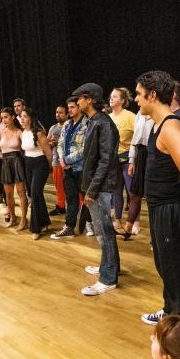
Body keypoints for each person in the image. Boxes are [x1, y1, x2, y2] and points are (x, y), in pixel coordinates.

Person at [135, 71, 180, 323]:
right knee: (167, 269)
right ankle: (174, 319)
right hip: (161, 207)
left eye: (140, 94)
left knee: (177, 272)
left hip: (171, 209)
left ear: (153, 95)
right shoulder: (159, 126)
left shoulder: (170, 127)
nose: (137, 100)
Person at [75, 83, 122, 295]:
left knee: (104, 232)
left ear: (91, 99)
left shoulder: (103, 123)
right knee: (103, 232)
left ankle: (108, 277)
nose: (77, 102)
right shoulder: (95, 121)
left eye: (80, 98)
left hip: (100, 186)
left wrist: (92, 190)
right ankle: (109, 266)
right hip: (96, 184)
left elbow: (106, 161)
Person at [51, 97, 89, 239]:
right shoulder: (66, 124)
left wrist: (66, 160)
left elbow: (85, 149)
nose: (70, 110)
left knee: (87, 198)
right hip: (67, 168)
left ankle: (89, 224)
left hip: (81, 168)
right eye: (69, 107)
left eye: (72, 107)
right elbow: (60, 143)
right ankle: (69, 227)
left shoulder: (87, 124)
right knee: (71, 199)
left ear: (79, 107)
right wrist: (62, 159)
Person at [20, 106, 53, 239]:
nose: (22, 119)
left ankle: (36, 228)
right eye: (21, 117)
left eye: (25, 117)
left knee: (35, 194)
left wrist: (48, 169)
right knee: (34, 194)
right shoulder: (23, 132)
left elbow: (49, 154)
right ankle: (44, 221)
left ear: (31, 119)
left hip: (40, 164)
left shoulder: (39, 133)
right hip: (28, 163)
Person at [109, 87, 136, 234]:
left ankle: (133, 221)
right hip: (113, 160)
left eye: (115, 96)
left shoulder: (131, 116)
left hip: (127, 159)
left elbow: (138, 139)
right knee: (116, 192)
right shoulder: (108, 117)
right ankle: (117, 221)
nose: (111, 98)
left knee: (132, 192)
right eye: (111, 96)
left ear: (123, 100)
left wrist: (133, 159)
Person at [0, 107, 28, 230]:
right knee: (8, 194)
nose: (3, 120)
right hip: (5, 162)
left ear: (12, 117)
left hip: (17, 161)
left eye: (6, 117)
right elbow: (1, 150)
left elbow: (25, 149)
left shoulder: (19, 132)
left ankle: (24, 219)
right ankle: (13, 217)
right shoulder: (0, 133)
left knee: (21, 193)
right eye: (2, 118)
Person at [47, 105, 68, 216]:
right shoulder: (53, 128)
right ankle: (60, 206)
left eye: (60, 112)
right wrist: (52, 143)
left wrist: (59, 141)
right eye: (56, 112)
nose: (57, 114)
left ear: (67, 114)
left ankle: (79, 206)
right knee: (59, 186)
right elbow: (47, 144)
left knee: (73, 186)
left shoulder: (70, 126)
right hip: (56, 161)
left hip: (69, 161)